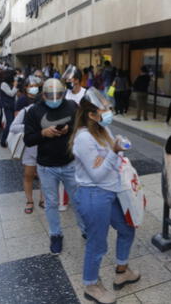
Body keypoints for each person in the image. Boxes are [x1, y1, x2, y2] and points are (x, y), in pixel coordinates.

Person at [71, 88, 140, 303]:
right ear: (91, 115)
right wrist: (113, 152)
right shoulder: (83, 138)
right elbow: (98, 174)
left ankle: (122, 271)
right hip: (93, 196)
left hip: (111, 192)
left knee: (127, 228)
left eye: (109, 108)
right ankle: (91, 285)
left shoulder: (103, 129)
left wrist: (113, 152)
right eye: (105, 109)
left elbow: (112, 162)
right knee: (98, 243)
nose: (109, 112)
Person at [23, 78, 85, 255]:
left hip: (69, 162)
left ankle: (85, 229)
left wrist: (68, 130)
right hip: (46, 166)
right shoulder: (34, 111)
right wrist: (43, 133)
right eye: (51, 95)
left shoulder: (72, 106)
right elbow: (28, 139)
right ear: (43, 94)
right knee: (51, 203)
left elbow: (81, 128)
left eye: (59, 95)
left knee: (77, 199)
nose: (55, 98)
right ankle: (55, 234)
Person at [10, 82, 44, 214]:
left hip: (44, 150)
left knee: (43, 176)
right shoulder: (26, 111)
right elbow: (13, 127)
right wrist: (28, 127)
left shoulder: (49, 112)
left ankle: (43, 199)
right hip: (29, 149)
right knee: (28, 175)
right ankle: (29, 201)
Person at [0, 69, 18, 147]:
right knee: (10, 123)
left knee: (13, 123)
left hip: (12, 105)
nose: (15, 77)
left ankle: (10, 140)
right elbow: (11, 94)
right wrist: (16, 86)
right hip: (7, 106)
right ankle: (3, 140)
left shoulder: (11, 83)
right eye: (14, 76)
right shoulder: (3, 84)